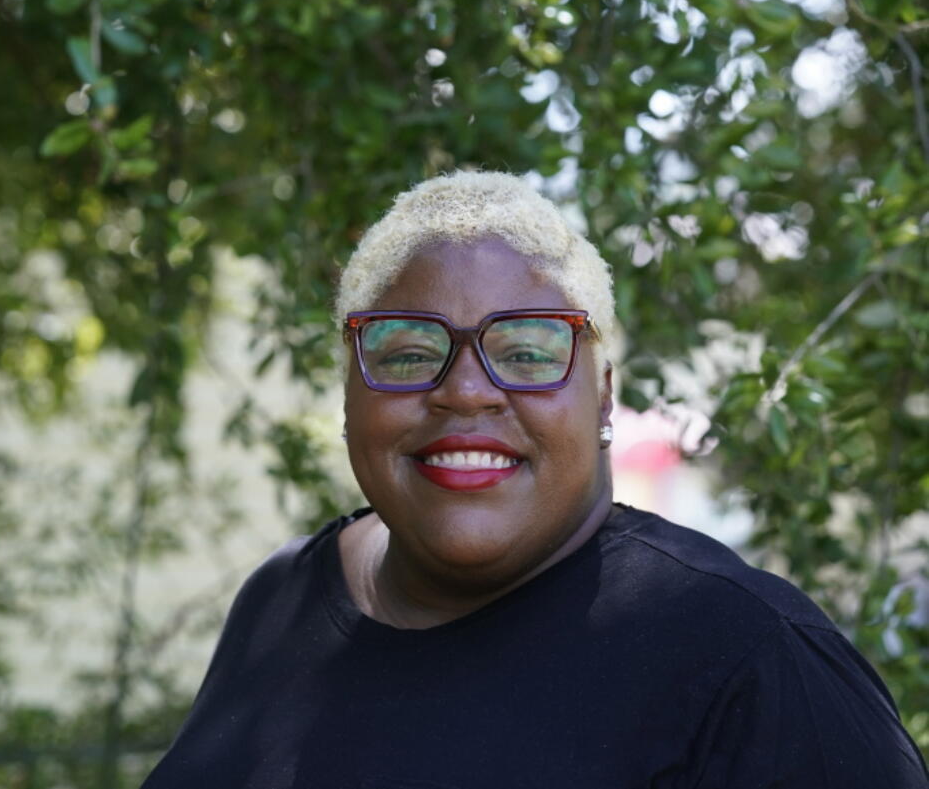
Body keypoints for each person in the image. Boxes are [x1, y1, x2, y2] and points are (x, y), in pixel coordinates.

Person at [142, 171, 929, 788]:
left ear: (605, 395)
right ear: (350, 394)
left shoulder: (750, 665)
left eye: (526, 351)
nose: (467, 390)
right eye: (411, 352)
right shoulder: (281, 598)